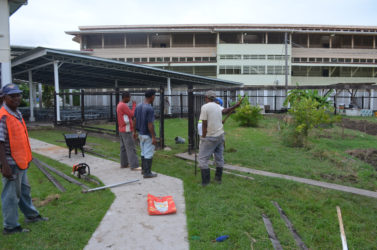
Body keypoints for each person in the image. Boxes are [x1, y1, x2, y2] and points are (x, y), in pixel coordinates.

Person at [0, 83, 48, 235]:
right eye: (12, 95)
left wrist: (27, 158)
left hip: (21, 162)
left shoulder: (17, 113)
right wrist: (4, 165)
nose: (16, 98)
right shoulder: (3, 116)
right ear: (4, 98)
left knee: (25, 192)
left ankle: (31, 216)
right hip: (11, 163)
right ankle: (10, 226)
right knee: (11, 195)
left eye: (18, 95)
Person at [198, 91, 242, 186]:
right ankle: (218, 179)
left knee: (202, 159)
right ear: (214, 98)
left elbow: (204, 124)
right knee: (219, 158)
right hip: (220, 136)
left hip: (210, 137)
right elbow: (226, 110)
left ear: (206, 98)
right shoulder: (218, 106)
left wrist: (203, 137)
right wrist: (235, 106)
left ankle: (205, 182)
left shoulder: (205, 107)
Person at [133, 89, 157, 178]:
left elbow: (134, 120)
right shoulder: (149, 108)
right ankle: (147, 173)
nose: (154, 97)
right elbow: (150, 124)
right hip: (147, 134)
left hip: (140, 133)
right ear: (152, 96)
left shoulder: (138, 106)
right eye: (154, 95)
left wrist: (134, 132)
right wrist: (154, 137)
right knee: (149, 153)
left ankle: (143, 170)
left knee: (143, 152)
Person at [117, 92, 140, 170]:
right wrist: (134, 106)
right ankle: (134, 165)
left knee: (123, 147)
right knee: (131, 148)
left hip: (121, 129)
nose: (130, 99)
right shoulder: (123, 105)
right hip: (126, 129)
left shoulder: (119, 104)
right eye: (129, 98)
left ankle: (124, 164)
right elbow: (131, 114)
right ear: (125, 97)